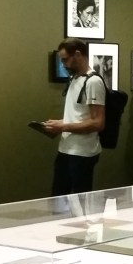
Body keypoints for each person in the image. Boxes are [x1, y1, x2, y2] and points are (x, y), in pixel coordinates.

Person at [44, 38, 105, 195]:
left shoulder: (93, 82)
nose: (63, 64)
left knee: (80, 201)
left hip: (82, 153)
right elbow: (79, 116)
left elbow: (98, 122)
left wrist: (63, 126)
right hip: (66, 149)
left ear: (77, 54)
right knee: (58, 198)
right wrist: (59, 124)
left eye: (65, 59)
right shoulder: (74, 79)